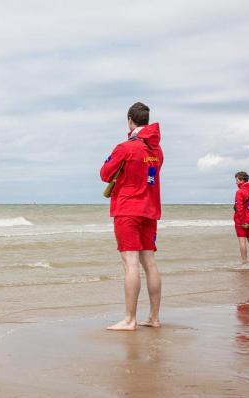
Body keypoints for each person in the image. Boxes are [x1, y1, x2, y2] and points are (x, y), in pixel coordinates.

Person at [99, 102, 163, 331]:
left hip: (128, 209)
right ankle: (154, 318)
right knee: (150, 263)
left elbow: (104, 174)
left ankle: (130, 319)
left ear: (130, 120)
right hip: (150, 210)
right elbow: (151, 176)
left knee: (131, 264)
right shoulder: (157, 150)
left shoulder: (125, 147)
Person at [234, 171, 249, 263]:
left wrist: (242, 221)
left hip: (241, 221)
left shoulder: (239, 192)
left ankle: (244, 262)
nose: (236, 182)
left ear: (242, 180)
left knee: (242, 241)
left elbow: (239, 208)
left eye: (237, 180)